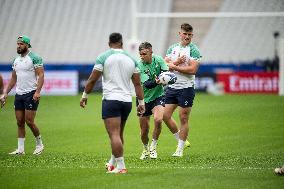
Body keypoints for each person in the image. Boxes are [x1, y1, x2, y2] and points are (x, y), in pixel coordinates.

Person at [80, 33, 145, 174]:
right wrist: (141, 102)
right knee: (119, 134)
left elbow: (92, 80)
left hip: (111, 100)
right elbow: (138, 84)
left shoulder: (103, 57)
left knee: (114, 135)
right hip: (127, 101)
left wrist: (85, 95)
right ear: (122, 43)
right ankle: (112, 163)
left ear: (109, 43)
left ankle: (121, 167)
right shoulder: (132, 59)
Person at [0, 35, 45, 155]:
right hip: (19, 94)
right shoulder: (16, 60)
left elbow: (41, 75)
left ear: (27, 45)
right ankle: (20, 150)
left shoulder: (34, 58)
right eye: (18, 44)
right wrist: (5, 93)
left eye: (21, 44)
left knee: (29, 121)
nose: (18, 46)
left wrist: (37, 92)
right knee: (19, 122)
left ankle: (39, 145)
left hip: (31, 93)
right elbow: (13, 79)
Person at [163, 23, 202, 157]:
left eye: (189, 35)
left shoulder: (194, 50)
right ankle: (182, 140)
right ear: (180, 34)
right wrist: (178, 63)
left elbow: (192, 70)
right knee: (164, 116)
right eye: (185, 34)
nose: (187, 37)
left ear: (192, 35)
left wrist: (173, 66)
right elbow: (164, 66)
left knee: (183, 118)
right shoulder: (172, 48)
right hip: (172, 87)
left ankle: (179, 150)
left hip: (186, 88)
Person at [137, 42, 168, 160]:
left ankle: (153, 147)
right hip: (143, 100)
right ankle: (145, 149)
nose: (142, 56)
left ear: (151, 52)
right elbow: (148, 84)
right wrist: (158, 80)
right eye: (140, 54)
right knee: (144, 130)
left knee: (158, 119)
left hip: (158, 96)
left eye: (144, 54)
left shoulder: (159, 60)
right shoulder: (139, 66)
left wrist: (164, 78)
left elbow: (166, 73)